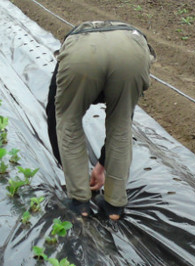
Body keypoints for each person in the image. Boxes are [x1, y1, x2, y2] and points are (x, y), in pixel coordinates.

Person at [46, 20, 156, 221]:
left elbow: (55, 117)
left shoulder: (75, 45)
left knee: (68, 121)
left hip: (82, 56)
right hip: (132, 51)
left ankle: (81, 205)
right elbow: (124, 123)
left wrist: (71, 171)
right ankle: (115, 206)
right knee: (121, 125)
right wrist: (102, 165)